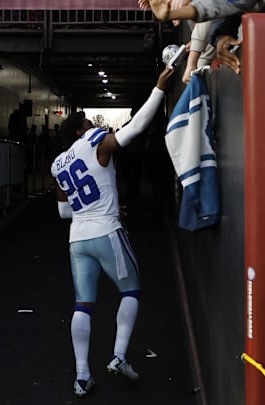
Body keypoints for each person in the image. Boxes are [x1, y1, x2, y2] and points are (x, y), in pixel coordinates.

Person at [50, 66, 174, 397]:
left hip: (78, 238)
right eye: (88, 123)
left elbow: (64, 211)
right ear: (80, 132)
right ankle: (119, 356)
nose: (94, 125)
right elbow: (132, 132)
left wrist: (102, 202)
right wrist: (159, 90)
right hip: (106, 232)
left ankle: (81, 376)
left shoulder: (58, 163)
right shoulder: (93, 141)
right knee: (130, 291)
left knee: (83, 305)